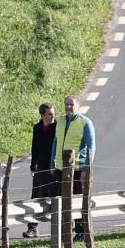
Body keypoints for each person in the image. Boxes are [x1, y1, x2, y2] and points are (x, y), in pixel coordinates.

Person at [52, 96, 96, 239]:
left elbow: (91, 147)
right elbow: (56, 142)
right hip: (60, 168)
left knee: (77, 201)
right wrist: (52, 162)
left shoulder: (85, 122)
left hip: (77, 169)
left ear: (78, 105)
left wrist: (86, 169)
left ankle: (81, 231)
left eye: (71, 104)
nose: (68, 107)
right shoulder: (61, 121)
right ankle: (65, 231)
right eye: (66, 104)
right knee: (61, 200)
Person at [27, 102, 58, 239]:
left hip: (55, 165)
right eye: (50, 114)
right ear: (42, 115)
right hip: (41, 166)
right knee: (37, 196)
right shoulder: (37, 128)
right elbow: (35, 147)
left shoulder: (58, 127)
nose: (52, 117)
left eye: (53, 114)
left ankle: (63, 226)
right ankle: (32, 228)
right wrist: (33, 165)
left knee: (56, 195)